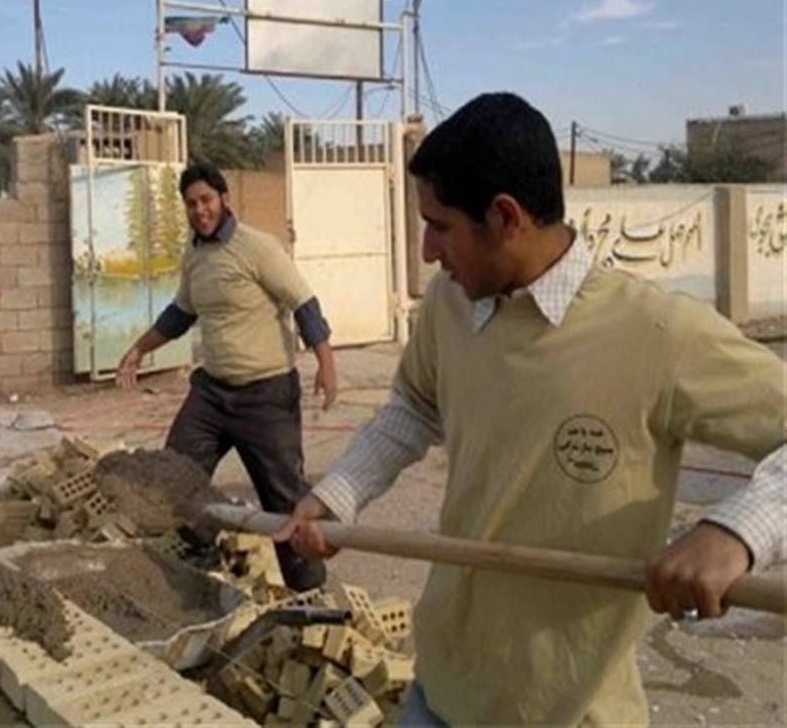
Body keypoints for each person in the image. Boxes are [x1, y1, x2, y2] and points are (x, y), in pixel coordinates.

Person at [274, 92, 786, 725]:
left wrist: (737, 532)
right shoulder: (449, 305)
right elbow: (414, 405)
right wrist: (339, 493)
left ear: (506, 216)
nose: (429, 252)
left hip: (568, 712)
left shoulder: (657, 334)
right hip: (441, 694)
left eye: (440, 226)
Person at [118, 161, 339, 592]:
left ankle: (311, 597)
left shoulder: (257, 247)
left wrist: (326, 363)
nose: (199, 210)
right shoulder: (194, 256)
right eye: (190, 203)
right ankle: (194, 562)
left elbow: (304, 302)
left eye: (206, 199)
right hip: (212, 396)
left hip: (266, 396)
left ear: (224, 199)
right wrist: (138, 350)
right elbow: (181, 313)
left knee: (284, 502)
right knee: (175, 474)